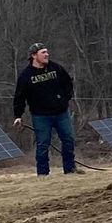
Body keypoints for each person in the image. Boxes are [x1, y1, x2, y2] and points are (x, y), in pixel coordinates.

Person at [11, 44, 78, 175]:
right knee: (43, 145)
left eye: (47, 52)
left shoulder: (55, 68)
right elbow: (19, 97)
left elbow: (68, 83)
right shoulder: (26, 76)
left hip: (61, 113)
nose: (47, 55)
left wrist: (65, 99)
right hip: (40, 116)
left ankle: (70, 170)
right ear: (34, 56)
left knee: (68, 140)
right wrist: (18, 115)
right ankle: (43, 174)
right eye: (43, 52)